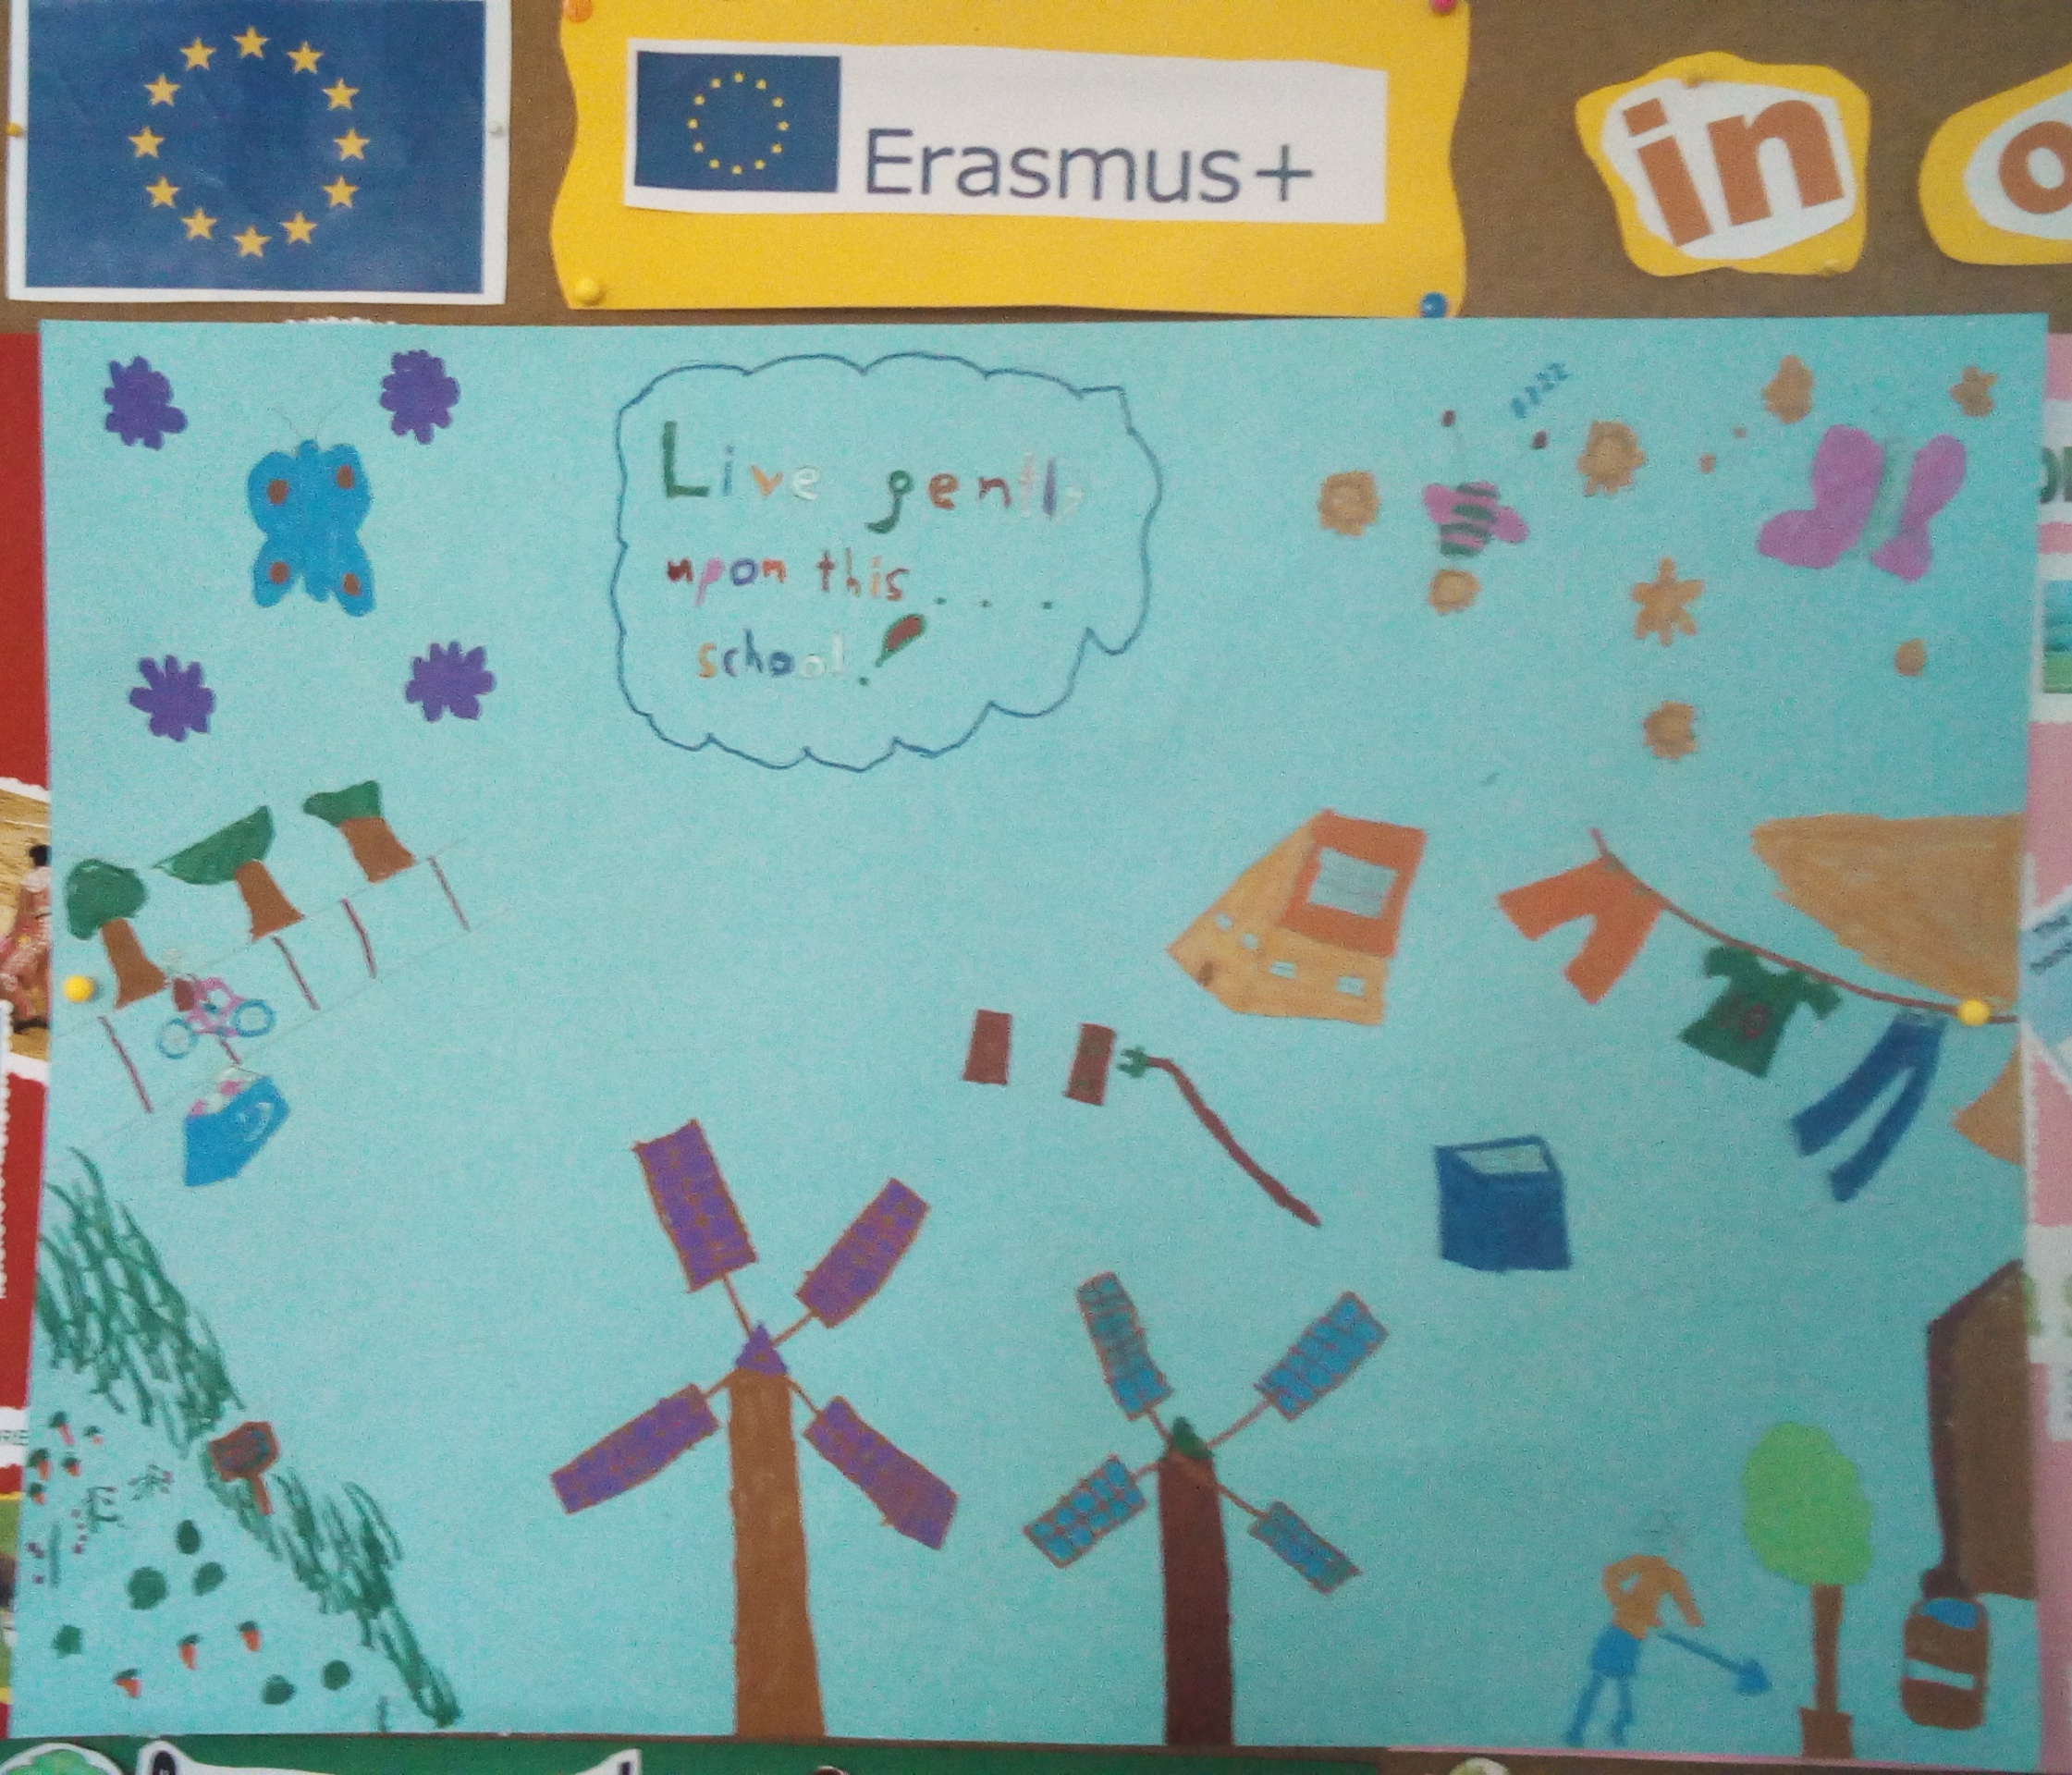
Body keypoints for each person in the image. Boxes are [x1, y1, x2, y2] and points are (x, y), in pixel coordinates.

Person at [1563, 1550, 1704, 1747]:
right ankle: (1586, 1728)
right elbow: (1610, 1575)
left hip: (1629, 1636)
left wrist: (1694, 1623)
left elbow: (1685, 1603)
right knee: (1605, 1682)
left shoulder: (1668, 1574)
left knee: (1612, 1682)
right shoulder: (1648, 1565)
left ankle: (1607, 1725)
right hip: (1621, 1632)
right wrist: (1625, 1603)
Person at [0, 841, 51, 1030]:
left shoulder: (32, 878)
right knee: (44, 973)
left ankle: (26, 1014)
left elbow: (23, 913)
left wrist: (12, 937)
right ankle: (51, 1015)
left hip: (41, 933)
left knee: (6, 974)